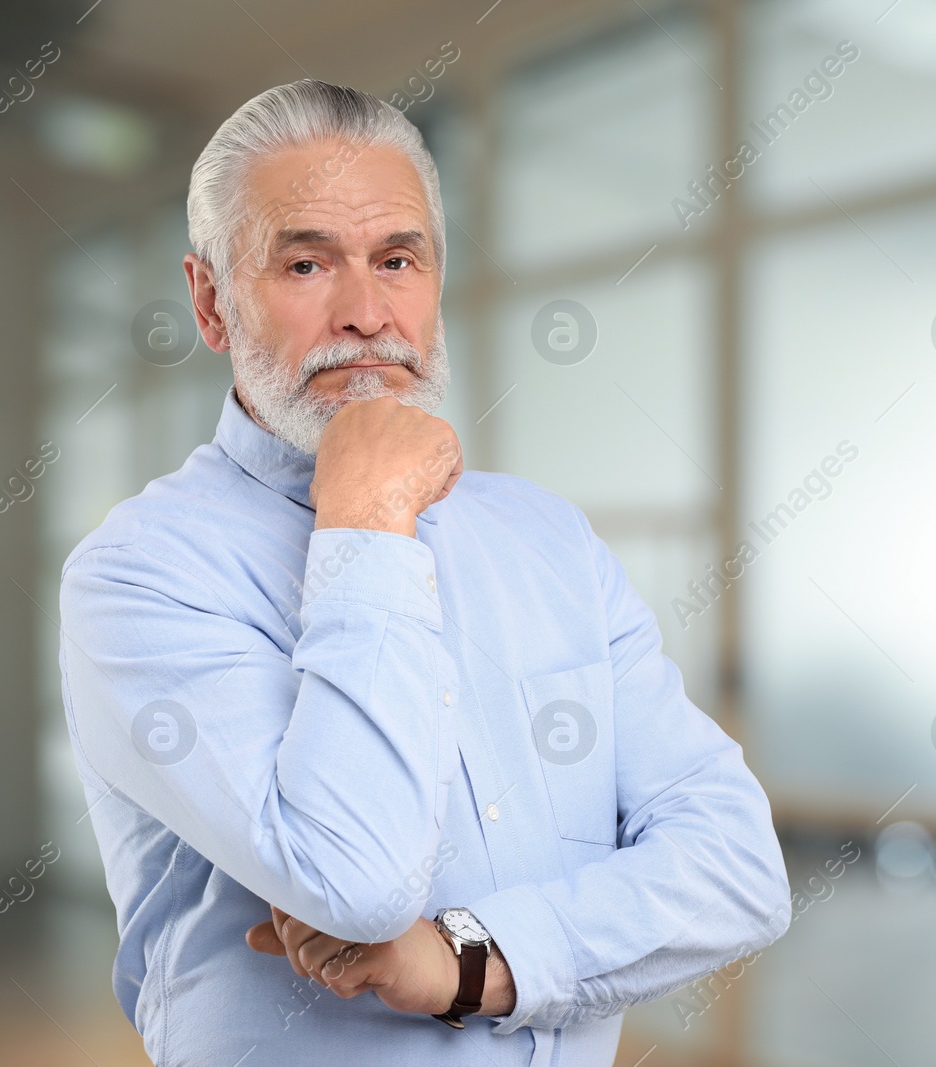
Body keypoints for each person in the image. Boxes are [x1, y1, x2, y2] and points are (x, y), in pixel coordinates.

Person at [58, 79, 789, 1067]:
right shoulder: (141, 574)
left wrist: (462, 962)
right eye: (306, 261)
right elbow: (354, 879)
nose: (366, 312)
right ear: (210, 301)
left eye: (397, 258)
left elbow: (738, 870)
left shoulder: (549, 539)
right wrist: (365, 517)